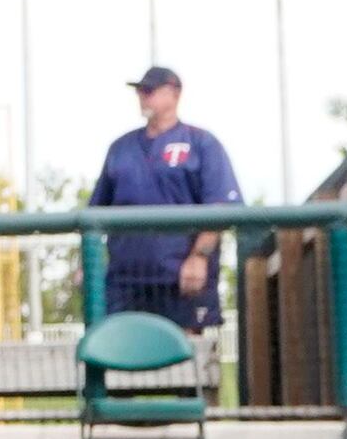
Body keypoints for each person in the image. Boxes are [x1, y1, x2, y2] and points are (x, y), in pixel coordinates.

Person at [92, 64, 244, 331]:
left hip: (180, 278)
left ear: (173, 93)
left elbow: (221, 207)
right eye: (140, 91)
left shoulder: (201, 143)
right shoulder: (121, 148)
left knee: (187, 360)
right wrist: (87, 264)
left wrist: (198, 256)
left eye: (149, 90)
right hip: (126, 280)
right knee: (122, 357)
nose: (143, 97)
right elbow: (94, 213)